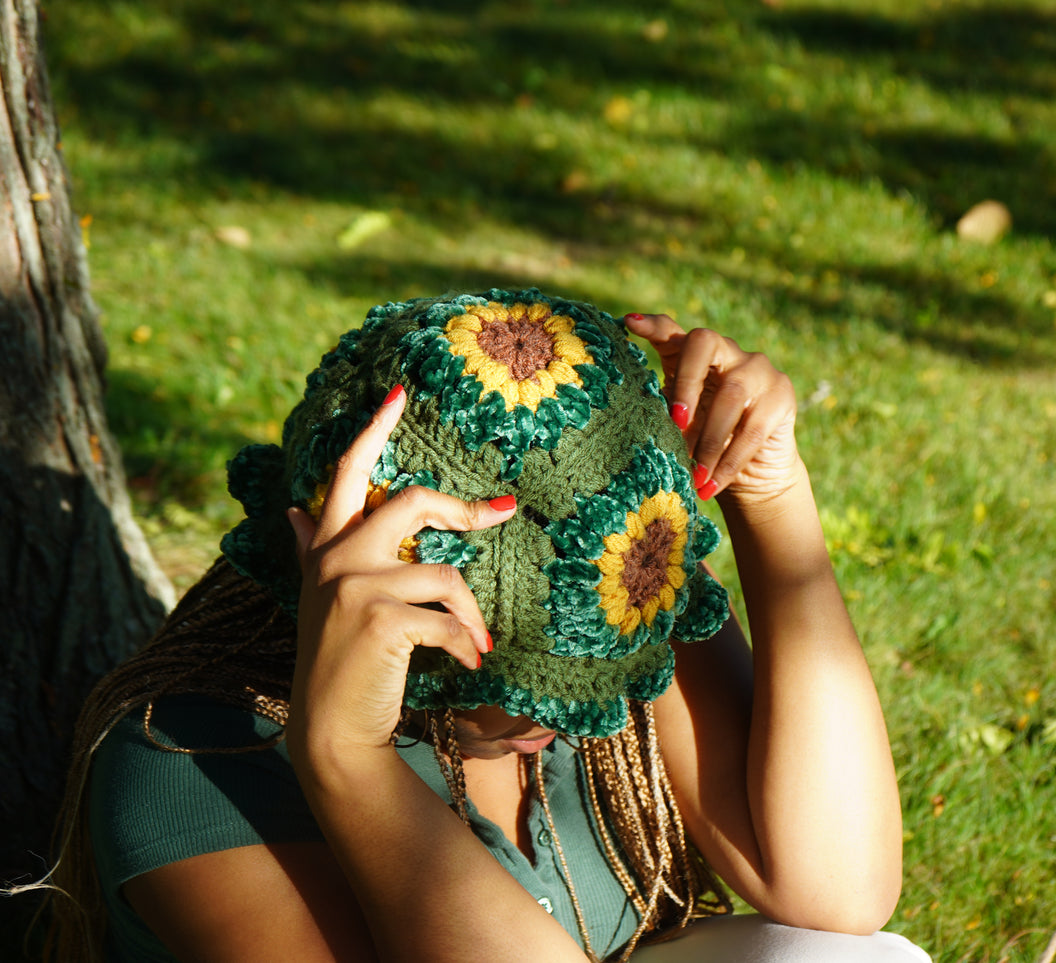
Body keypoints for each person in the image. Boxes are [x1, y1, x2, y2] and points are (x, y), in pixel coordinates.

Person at [41, 290, 927, 962]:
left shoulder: (598, 596)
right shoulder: (192, 763)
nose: (577, 715)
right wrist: (346, 756)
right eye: (515, 678)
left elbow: (839, 894)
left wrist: (773, 496)